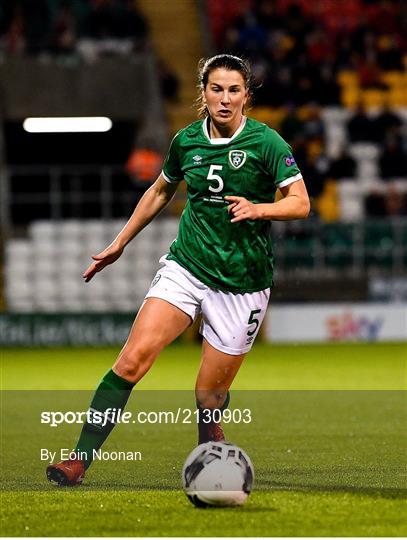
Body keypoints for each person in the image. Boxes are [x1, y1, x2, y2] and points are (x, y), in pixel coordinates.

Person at [46, 54, 310, 486]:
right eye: (216, 89)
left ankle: (211, 444)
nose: (224, 99)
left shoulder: (267, 144)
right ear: (203, 92)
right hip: (186, 267)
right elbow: (160, 190)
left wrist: (259, 208)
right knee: (131, 362)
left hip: (243, 283)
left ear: (246, 95)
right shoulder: (186, 141)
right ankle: (79, 459)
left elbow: (301, 203)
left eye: (234, 90)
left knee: (208, 395)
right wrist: (120, 243)